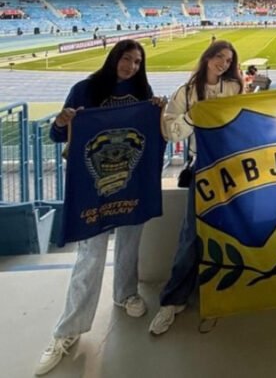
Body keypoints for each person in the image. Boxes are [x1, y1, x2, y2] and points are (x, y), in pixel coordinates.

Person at [35, 41, 164, 376]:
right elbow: (55, 135)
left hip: (131, 184)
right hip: (94, 188)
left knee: (130, 244)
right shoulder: (85, 89)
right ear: (114, 57)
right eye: (127, 59)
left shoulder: (142, 91)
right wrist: (64, 121)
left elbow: (154, 133)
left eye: (138, 62)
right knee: (90, 256)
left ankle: (126, 294)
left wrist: (157, 109)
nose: (132, 67)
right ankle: (67, 331)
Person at [149, 40, 243, 336]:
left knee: (231, 232)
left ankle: (222, 291)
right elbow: (168, 130)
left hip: (233, 168)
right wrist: (194, 115)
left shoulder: (234, 88)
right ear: (207, 58)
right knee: (192, 236)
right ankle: (172, 300)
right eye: (219, 57)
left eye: (229, 60)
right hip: (202, 167)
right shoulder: (186, 92)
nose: (224, 64)